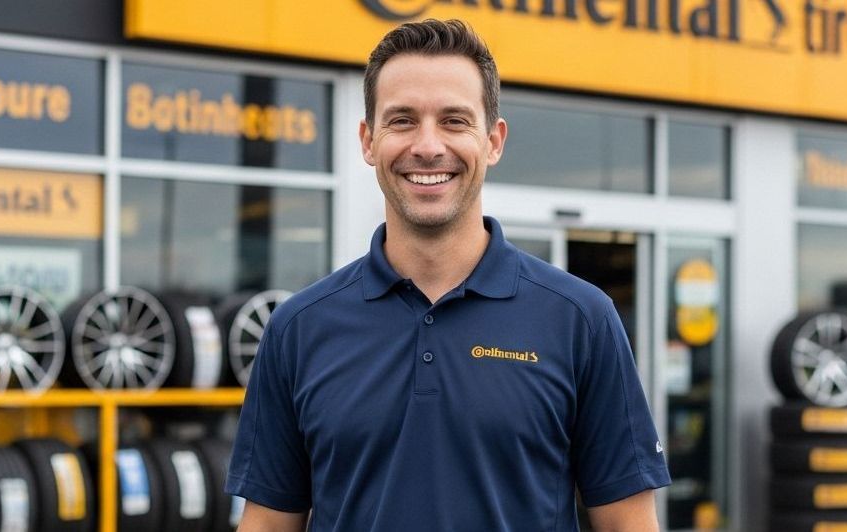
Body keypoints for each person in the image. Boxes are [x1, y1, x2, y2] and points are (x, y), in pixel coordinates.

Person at [225, 19, 669, 531]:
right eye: (402, 120)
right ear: (368, 140)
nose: (428, 146)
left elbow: (628, 523)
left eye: (455, 121)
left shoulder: (580, 320)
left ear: (493, 141)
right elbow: (267, 524)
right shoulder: (299, 329)